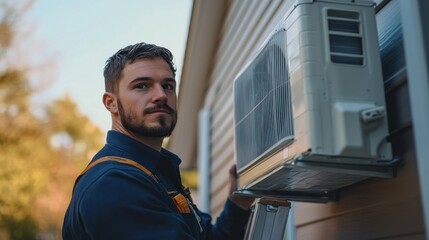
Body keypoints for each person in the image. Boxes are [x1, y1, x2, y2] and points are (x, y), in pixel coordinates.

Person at [62, 42, 254, 239]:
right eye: (142, 86)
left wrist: (238, 203)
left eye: (168, 86)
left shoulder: (152, 172)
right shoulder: (116, 183)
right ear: (111, 103)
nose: (161, 95)